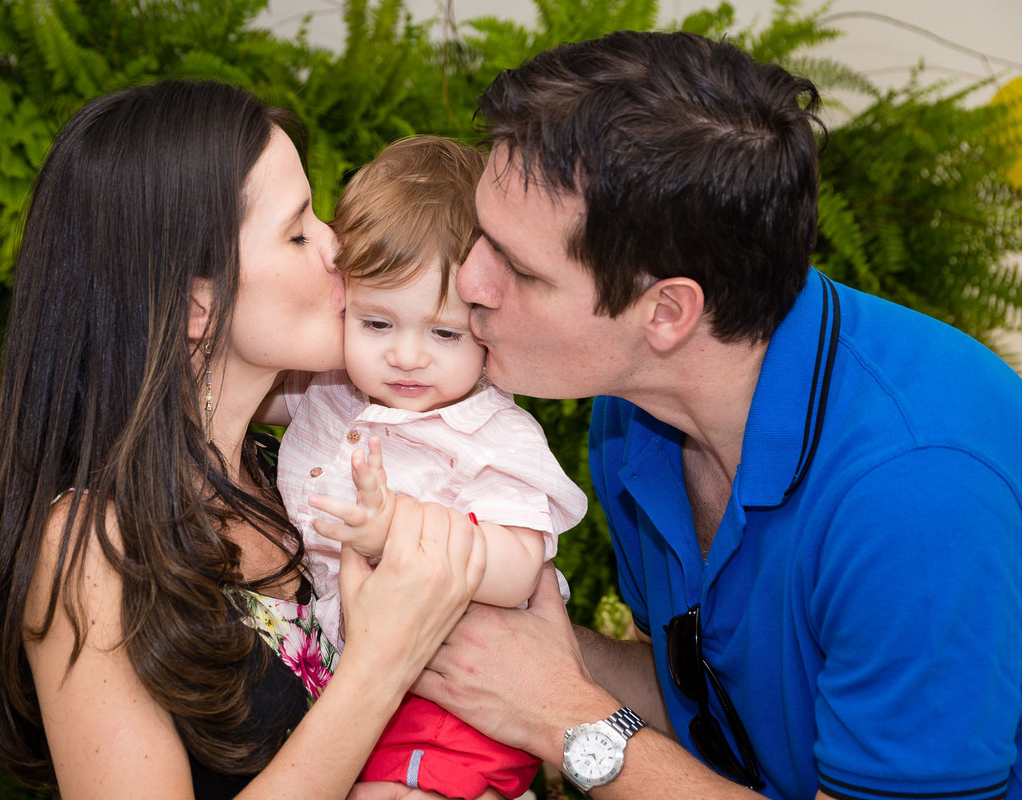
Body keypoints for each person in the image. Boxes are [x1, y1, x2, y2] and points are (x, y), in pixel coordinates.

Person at [411, 30, 1022, 800]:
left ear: (666, 311)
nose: (467, 281)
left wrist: (565, 716)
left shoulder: (916, 499)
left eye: (519, 268)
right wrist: (500, 640)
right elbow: (706, 706)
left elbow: (585, 718)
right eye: (479, 237)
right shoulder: (636, 413)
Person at [0, 79, 486, 800]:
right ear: (198, 302)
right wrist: (380, 663)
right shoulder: (91, 550)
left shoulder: (294, 473)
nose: (336, 247)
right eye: (297, 231)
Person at [263, 135, 586, 799]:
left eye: (443, 334)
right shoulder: (327, 392)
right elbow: (232, 383)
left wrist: (395, 533)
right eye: (377, 324)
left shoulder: (491, 433)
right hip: (352, 679)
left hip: (453, 692)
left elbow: (521, 566)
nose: (407, 357)